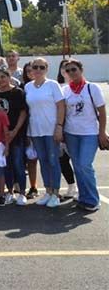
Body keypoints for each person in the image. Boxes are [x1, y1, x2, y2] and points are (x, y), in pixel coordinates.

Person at [60, 59, 107, 212]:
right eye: (68, 71)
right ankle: (84, 197)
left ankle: (93, 199)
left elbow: (102, 112)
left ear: (81, 69)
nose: (71, 73)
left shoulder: (91, 88)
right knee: (78, 166)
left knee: (85, 165)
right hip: (71, 133)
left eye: (74, 69)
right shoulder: (66, 90)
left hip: (89, 133)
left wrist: (102, 132)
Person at [24, 57, 65, 208]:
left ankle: (55, 193)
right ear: (31, 70)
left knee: (53, 161)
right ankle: (47, 191)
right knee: (43, 161)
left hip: (51, 130)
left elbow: (61, 106)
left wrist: (59, 126)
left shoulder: (52, 85)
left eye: (42, 67)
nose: (38, 70)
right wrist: (28, 132)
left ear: (46, 69)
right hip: (36, 131)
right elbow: (28, 111)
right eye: (35, 67)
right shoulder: (28, 87)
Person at [0, 67, 29, 206]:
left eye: (3, 77)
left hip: (16, 134)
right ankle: (10, 192)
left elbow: (23, 113)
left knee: (18, 164)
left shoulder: (17, 92)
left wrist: (15, 130)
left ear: (9, 77)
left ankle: (22, 193)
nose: (1, 80)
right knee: (6, 164)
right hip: (1, 136)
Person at [54, 58, 78, 199]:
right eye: (64, 68)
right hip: (62, 129)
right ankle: (71, 186)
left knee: (78, 161)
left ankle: (82, 188)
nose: (67, 71)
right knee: (62, 160)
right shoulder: (57, 86)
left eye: (70, 68)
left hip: (77, 130)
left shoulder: (82, 86)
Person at [20, 62, 40, 198]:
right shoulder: (23, 89)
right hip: (27, 129)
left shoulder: (48, 86)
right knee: (29, 159)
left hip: (44, 128)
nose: (31, 73)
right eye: (28, 71)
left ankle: (49, 189)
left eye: (33, 70)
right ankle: (29, 188)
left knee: (45, 161)